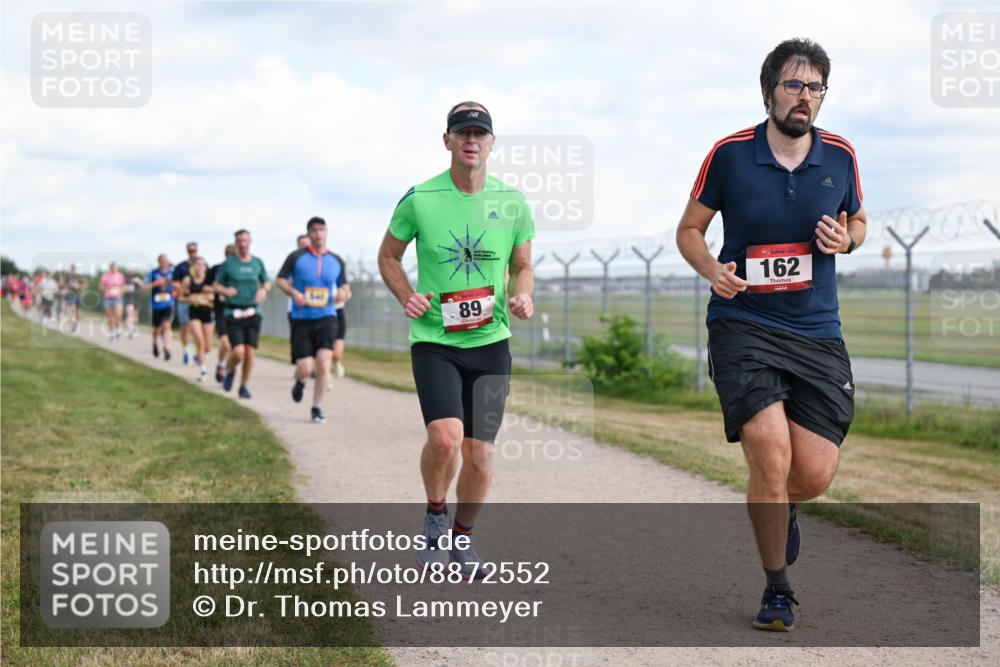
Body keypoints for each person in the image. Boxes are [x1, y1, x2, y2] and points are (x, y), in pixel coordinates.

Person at [676, 38, 867, 632]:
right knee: (768, 449)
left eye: (815, 88)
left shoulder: (840, 155)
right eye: (794, 85)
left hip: (816, 331)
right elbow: (689, 230)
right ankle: (777, 589)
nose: (805, 97)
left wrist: (849, 240)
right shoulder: (730, 154)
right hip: (745, 324)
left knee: (811, 474)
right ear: (769, 91)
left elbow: (858, 218)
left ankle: (778, 509)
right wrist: (713, 271)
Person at [378, 101, 535, 578]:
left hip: (491, 342)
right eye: (462, 133)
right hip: (435, 340)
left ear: (491, 143)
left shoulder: (512, 202)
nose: (472, 140)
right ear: (446, 140)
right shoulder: (420, 198)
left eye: (480, 134)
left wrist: (523, 295)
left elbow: (521, 265)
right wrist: (406, 295)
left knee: (481, 453)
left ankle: (462, 542)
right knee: (445, 440)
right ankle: (433, 512)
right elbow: (388, 256)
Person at [277, 218, 346, 422]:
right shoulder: (296, 257)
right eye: (314, 230)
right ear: (308, 234)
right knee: (306, 367)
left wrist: (343, 292)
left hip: (327, 317)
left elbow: (345, 285)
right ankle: (300, 381)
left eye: (321, 230)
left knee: (324, 363)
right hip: (302, 319)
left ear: (326, 233)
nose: (318, 234)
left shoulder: (336, 260)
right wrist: (294, 293)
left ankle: (317, 407)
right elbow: (280, 280)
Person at [213, 230, 271, 399]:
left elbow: (267, 282)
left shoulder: (257, 262)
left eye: (245, 240)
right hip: (233, 312)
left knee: (250, 354)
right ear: (236, 243)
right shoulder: (229, 264)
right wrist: (225, 290)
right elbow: (216, 285)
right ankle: (230, 370)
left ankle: (243, 386)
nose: (243, 244)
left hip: (253, 312)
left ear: (250, 241)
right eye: (239, 241)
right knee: (238, 352)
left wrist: (263, 290)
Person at [181, 256, 215, 382]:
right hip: (194, 312)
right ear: (193, 267)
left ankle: (198, 356)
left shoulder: (210, 280)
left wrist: (211, 296)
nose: (200, 267)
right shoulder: (188, 280)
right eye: (197, 264)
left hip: (207, 312)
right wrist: (189, 299)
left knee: (208, 347)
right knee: (199, 341)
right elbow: (180, 297)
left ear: (206, 267)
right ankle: (203, 370)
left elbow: (217, 294)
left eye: (202, 264)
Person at [210, 244, 236, 383]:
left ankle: (229, 369)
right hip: (220, 311)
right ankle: (220, 365)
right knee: (226, 344)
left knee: (235, 346)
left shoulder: (239, 271)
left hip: (236, 312)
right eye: (228, 255)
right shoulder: (216, 269)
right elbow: (206, 285)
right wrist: (219, 290)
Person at [172, 242, 199, 365]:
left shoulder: (202, 265)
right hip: (184, 300)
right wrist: (183, 288)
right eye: (190, 250)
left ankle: (196, 352)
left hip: (197, 301)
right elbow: (174, 282)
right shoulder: (181, 267)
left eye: (194, 250)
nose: (192, 252)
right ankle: (186, 351)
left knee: (195, 329)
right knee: (185, 328)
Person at [143, 255, 175, 360]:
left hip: (168, 304)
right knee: (156, 329)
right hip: (156, 305)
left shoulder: (172, 273)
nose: (164, 263)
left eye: (166, 261)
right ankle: (155, 343)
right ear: (159, 262)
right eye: (162, 261)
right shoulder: (153, 273)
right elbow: (144, 287)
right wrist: (156, 283)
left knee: (167, 325)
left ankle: (167, 348)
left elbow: (179, 284)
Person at [99, 262, 125, 339]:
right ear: (110, 268)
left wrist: (120, 291)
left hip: (117, 298)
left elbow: (123, 286)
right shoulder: (105, 275)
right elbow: (101, 286)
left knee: (118, 315)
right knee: (110, 317)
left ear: (117, 268)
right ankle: (111, 332)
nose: (114, 269)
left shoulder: (120, 275)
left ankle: (117, 329)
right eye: (112, 268)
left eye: (115, 268)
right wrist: (107, 289)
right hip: (108, 298)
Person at [123, 271, 143, 338]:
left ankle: (133, 327)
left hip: (136, 297)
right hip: (128, 298)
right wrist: (126, 288)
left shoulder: (139, 276)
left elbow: (144, 286)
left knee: (136, 316)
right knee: (130, 314)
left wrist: (139, 281)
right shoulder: (125, 277)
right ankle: (130, 330)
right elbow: (121, 287)